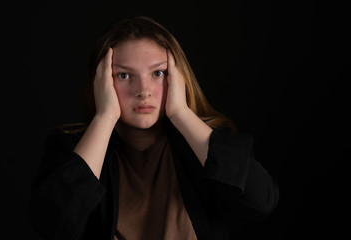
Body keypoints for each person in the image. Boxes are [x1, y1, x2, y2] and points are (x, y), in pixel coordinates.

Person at [29, 16, 279, 240]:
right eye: (124, 76)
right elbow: (52, 225)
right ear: (101, 82)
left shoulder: (202, 144)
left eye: (158, 73)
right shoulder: (70, 147)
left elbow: (261, 202)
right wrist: (104, 117)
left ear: (177, 78)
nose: (143, 91)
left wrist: (181, 114)